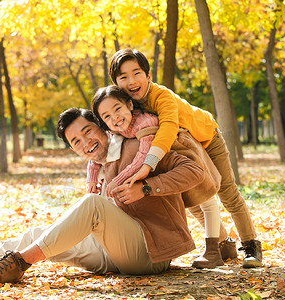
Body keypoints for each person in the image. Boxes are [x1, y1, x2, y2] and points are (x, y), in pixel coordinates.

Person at [0, 108, 211, 287]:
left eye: (89, 131)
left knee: (91, 205)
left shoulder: (142, 147)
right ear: (73, 149)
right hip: (114, 250)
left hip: (150, 251)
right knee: (38, 233)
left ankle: (19, 263)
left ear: (102, 126)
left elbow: (194, 170)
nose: (86, 142)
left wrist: (147, 187)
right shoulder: (99, 166)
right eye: (76, 141)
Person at [108, 48, 262, 268]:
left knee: (227, 192)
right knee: (195, 200)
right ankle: (222, 244)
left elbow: (168, 127)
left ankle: (251, 246)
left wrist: (147, 164)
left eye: (136, 73)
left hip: (207, 139)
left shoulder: (162, 96)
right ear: (116, 82)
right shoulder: (125, 105)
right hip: (183, 148)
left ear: (148, 75)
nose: (131, 81)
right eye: (123, 77)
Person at [87, 85, 224, 268]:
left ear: (129, 105)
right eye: (107, 117)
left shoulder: (145, 123)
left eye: (117, 109)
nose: (115, 118)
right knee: (192, 204)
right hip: (160, 162)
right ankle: (226, 243)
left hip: (179, 151)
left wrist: (117, 181)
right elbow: (95, 158)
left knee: (206, 200)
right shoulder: (116, 129)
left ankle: (213, 250)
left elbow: (142, 159)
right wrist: (92, 179)